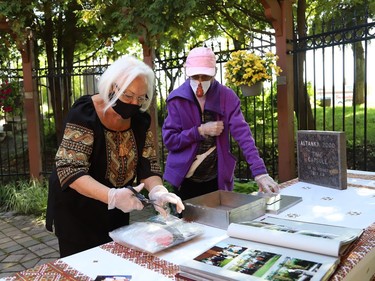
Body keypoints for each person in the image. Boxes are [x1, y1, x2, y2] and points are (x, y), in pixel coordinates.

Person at [46, 55, 184, 257]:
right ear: (111, 86)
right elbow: (69, 169)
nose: (134, 103)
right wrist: (112, 196)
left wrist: (157, 191)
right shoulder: (86, 113)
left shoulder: (139, 120)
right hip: (77, 212)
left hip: (117, 210)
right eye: (128, 96)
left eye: (141, 98)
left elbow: (148, 165)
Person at [162, 47, 279, 201]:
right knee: (188, 223)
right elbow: (170, 140)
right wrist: (200, 131)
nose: (200, 81)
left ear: (215, 72)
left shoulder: (227, 97)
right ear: (187, 72)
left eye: (205, 76)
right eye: (195, 76)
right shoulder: (177, 99)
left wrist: (259, 172)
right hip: (186, 180)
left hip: (216, 180)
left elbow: (243, 135)